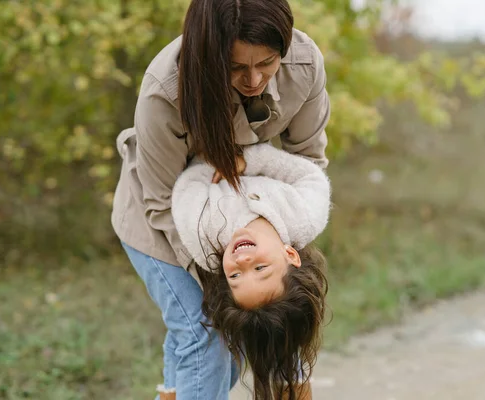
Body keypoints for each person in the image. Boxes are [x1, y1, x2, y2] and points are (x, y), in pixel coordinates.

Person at [111, 0, 330, 398]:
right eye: (236, 68)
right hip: (166, 221)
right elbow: (162, 204)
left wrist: (271, 250)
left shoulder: (305, 64)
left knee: (281, 305)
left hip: (253, 204)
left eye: (267, 62)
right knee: (204, 333)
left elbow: (308, 162)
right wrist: (229, 273)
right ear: (211, 57)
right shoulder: (166, 89)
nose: (254, 80)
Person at [172, 143, 330, 400]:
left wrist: (214, 164)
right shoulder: (305, 217)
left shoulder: (206, 234)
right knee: (282, 319)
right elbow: (310, 176)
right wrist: (248, 161)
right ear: (290, 255)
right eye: (260, 268)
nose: (242, 260)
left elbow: (186, 190)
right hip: (250, 148)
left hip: (205, 157)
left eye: (235, 276)